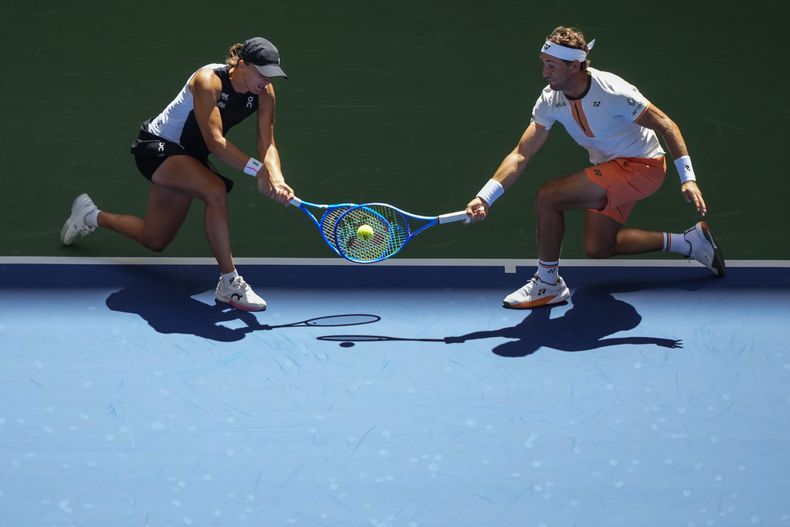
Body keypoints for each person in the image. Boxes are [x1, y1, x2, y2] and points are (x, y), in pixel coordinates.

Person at [465, 26, 725, 309]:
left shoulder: (613, 91)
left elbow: (666, 124)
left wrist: (688, 178)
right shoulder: (550, 100)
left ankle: (548, 283)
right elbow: (521, 154)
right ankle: (689, 242)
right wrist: (485, 197)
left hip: (643, 167)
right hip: (610, 167)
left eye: (551, 66)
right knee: (599, 247)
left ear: (574, 65)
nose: (544, 73)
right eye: (544, 64)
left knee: (549, 197)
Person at [60, 37, 295, 311]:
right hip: (158, 148)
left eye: (272, 75)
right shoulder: (209, 81)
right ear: (243, 64)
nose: (267, 81)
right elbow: (216, 144)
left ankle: (89, 215)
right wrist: (258, 171)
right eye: (262, 73)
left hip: (189, 158)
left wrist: (276, 177)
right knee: (214, 190)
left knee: (155, 238)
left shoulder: (264, 93)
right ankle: (229, 283)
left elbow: (267, 143)